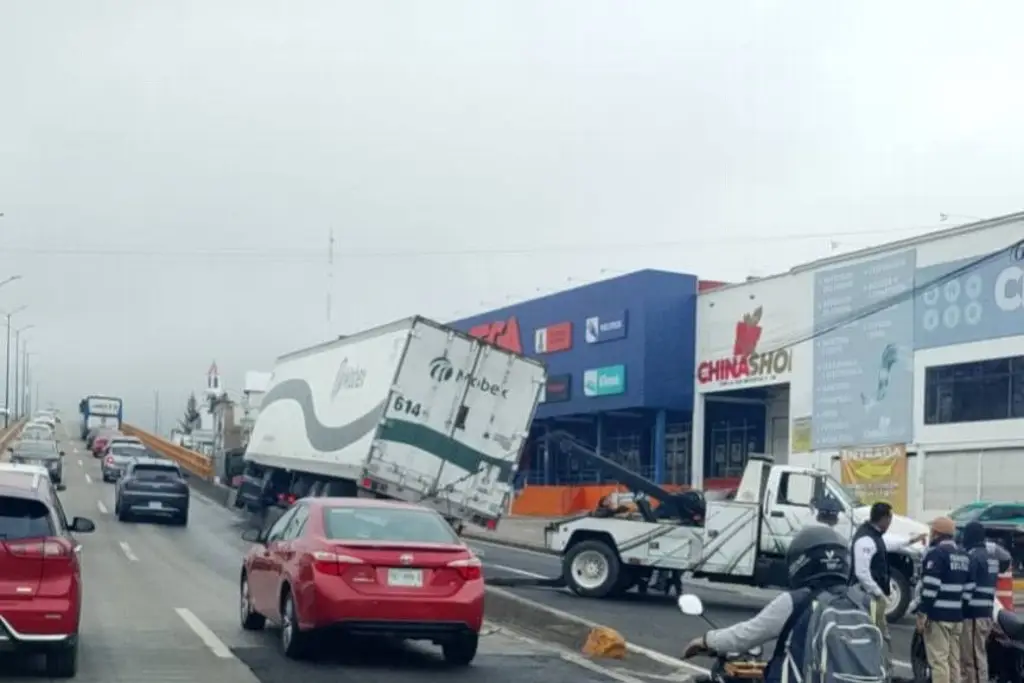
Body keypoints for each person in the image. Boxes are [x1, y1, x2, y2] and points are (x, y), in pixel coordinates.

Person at [682, 526, 866, 683]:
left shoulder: (795, 601)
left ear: (800, 562)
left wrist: (706, 640)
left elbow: (745, 636)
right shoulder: (862, 602)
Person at [849, 501, 927, 679]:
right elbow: (862, 572)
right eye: (890, 520)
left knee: (879, 635)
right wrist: (878, 593)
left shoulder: (874, 535)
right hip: (867, 597)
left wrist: (911, 540)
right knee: (877, 635)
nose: (890, 524)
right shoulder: (866, 540)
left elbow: (890, 543)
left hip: (871, 597)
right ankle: (879, 671)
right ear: (883, 519)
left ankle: (881, 669)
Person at [918, 516, 970, 683]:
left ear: (936, 534)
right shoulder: (963, 555)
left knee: (939, 661)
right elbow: (968, 588)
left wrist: (922, 613)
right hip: (957, 616)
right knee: (953, 660)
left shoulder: (937, 554)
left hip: (939, 616)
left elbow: (931, 587)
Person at [961, 521, 998, 683]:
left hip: (974, 614)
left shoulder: (973, 557)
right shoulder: (992, 557)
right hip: (987, 612)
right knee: (978, 654)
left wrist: (961, 608)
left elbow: (969, 586)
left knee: (973, 659)